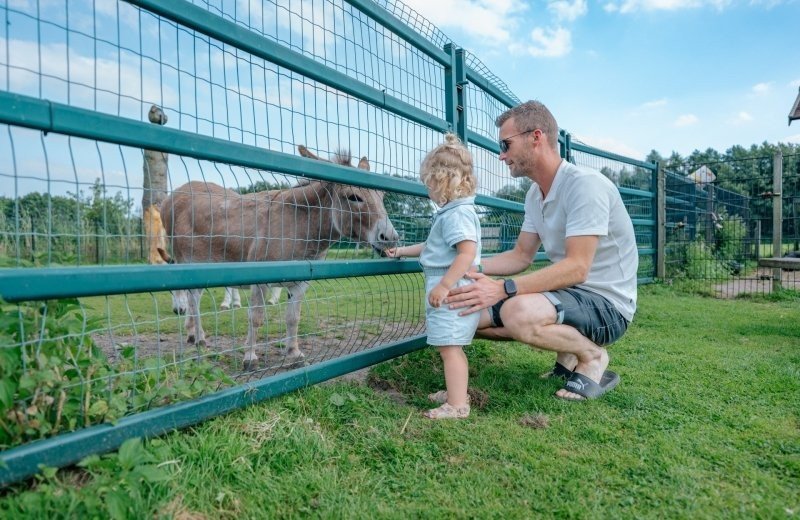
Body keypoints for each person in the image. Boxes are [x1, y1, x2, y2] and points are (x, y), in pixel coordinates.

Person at [446, 100, 638, 401]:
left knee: (517, 311)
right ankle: (568, 355)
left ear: (536, 137)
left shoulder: (585, 186)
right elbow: (521, 256)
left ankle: (592, 356)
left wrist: (502, 289)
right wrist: (472, 268)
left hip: (608, 305)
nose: (502, 155)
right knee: (465, 313)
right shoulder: (535, 195)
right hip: (571, 295)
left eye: (506, 145)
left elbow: (578, 267)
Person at [386, 134, 486, 419]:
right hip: (451, 286)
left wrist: (444, 285)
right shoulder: (453, 213)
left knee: (449, 348)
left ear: (442, 181)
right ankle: (457, 391)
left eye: (429, 182)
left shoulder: (456, 215)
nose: (427, 188)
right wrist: (401, 251)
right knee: (450, 347)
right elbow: (433, 246)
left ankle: (456, 405)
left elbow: (467, 252)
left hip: (451, 290)